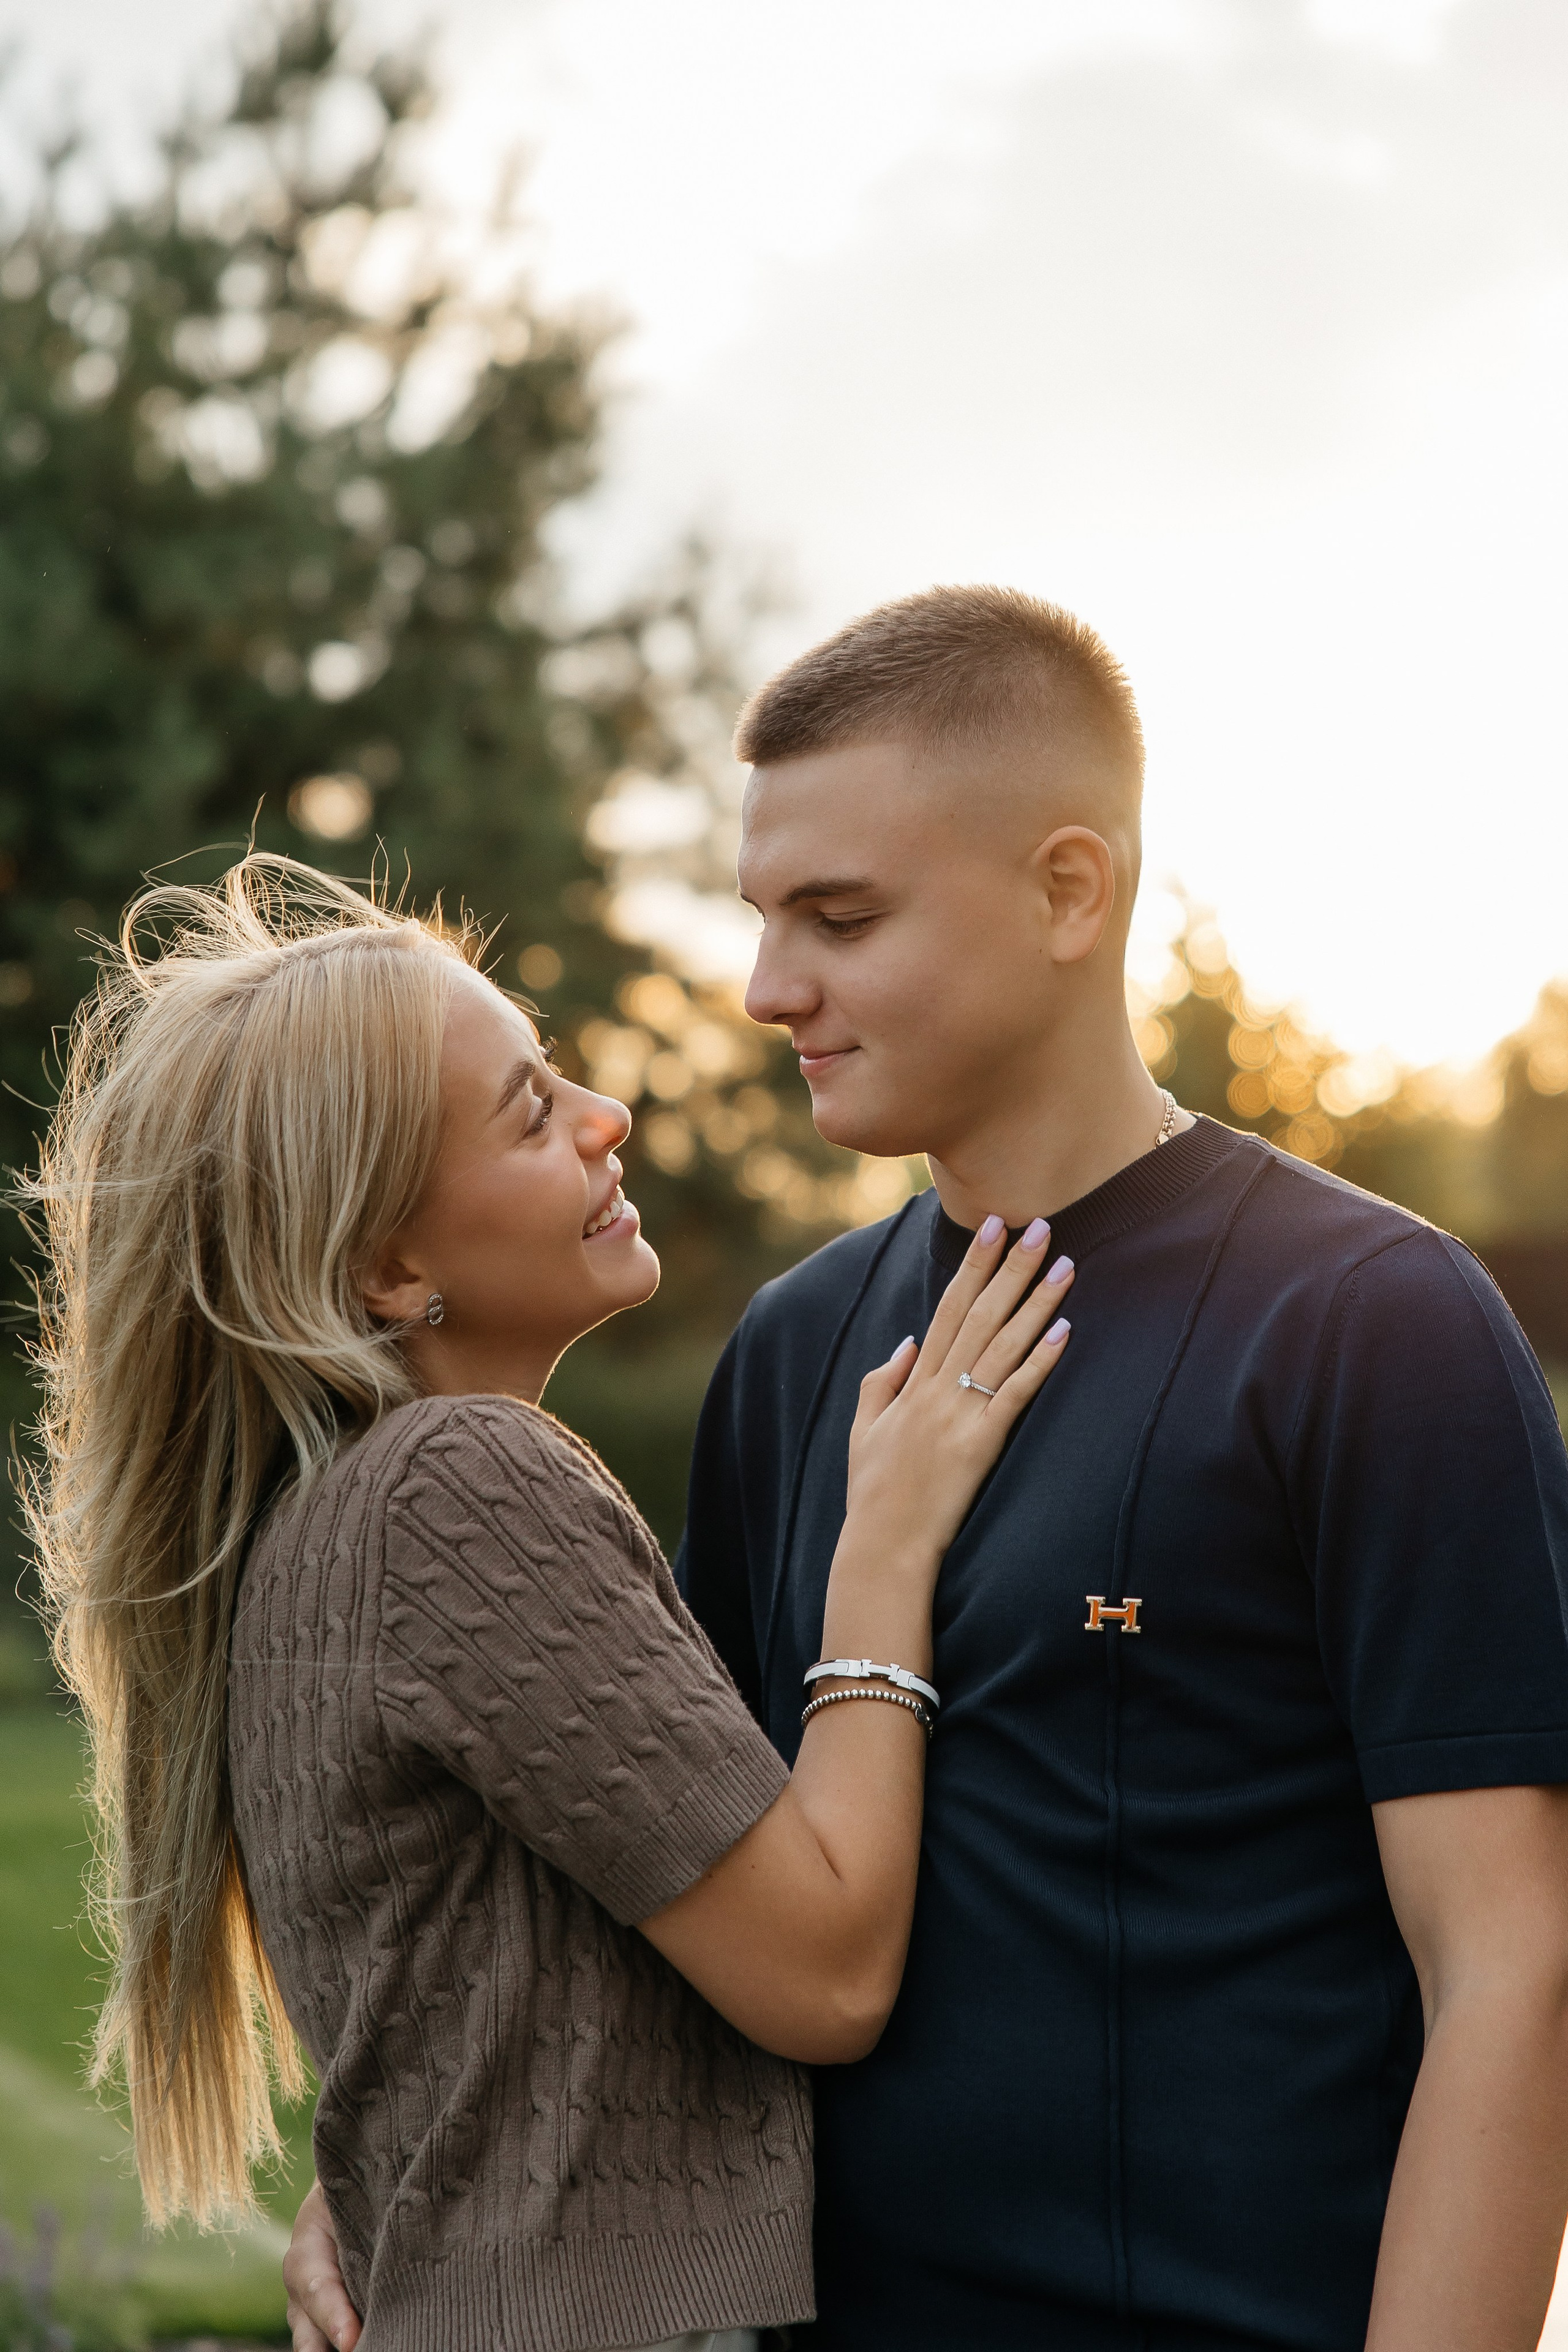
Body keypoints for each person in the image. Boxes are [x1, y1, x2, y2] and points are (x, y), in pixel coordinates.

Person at [287, 585, 1568, 2352]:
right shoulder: (794, 1353)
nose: (766, 988)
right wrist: (377, 2173)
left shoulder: (1375, 1326)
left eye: (841, 916)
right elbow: (673, 1881)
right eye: (762, 917)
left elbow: (1515, 1968)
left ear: (1069, 890)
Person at [24, 854, 1077, 2352]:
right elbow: (827, 1976)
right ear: (388, 1266)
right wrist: (884, 1543)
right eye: (530, 1112)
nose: (607, 1119)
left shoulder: (321, 1532)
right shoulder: (459, 1484)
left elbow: (470, 2004)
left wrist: (364, 2181)